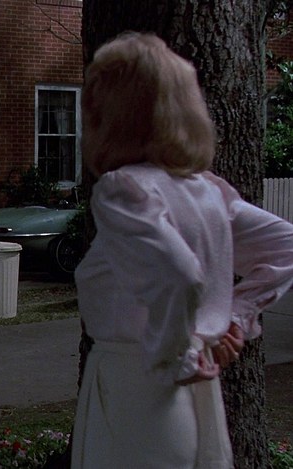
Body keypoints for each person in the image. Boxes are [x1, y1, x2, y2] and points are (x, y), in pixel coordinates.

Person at [72, 32, 293, 468]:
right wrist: (232, 316)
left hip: (137, 388)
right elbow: (286, 245)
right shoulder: (208, 192)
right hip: (195, 394)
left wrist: (178, 355)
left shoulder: (123, 189)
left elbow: (179, 273)